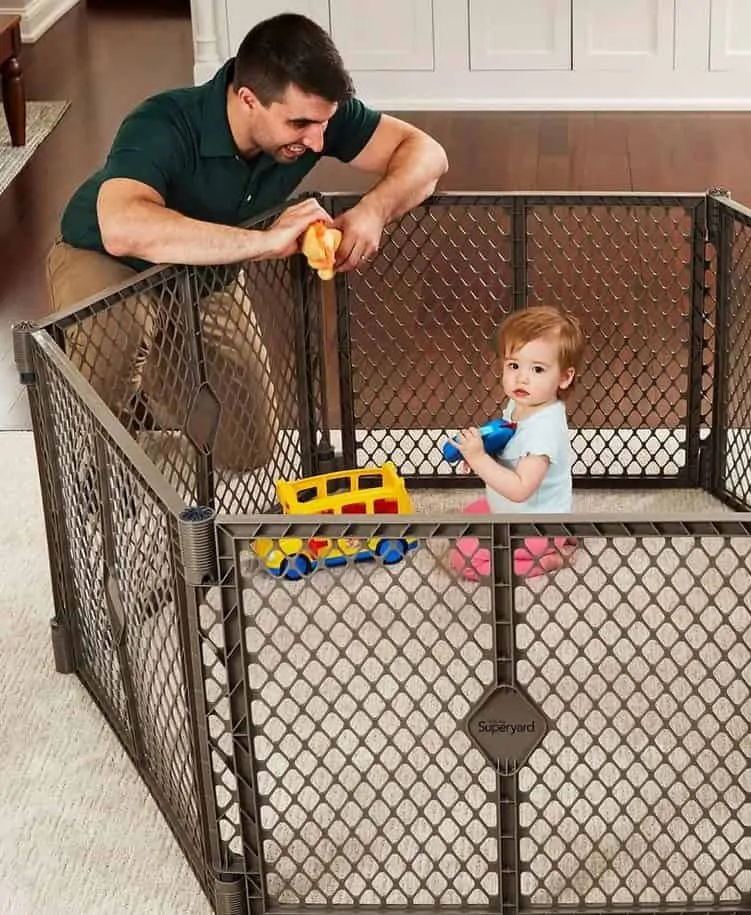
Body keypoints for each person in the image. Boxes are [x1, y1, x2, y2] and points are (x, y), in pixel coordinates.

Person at [45, 12, 448, 472]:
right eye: (299, 125)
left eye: (324, 123)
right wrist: (264, 242)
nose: (317, 141)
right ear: (248, 99)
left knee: (246, 450)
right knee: (121, 332)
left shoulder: (314, 119)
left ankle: (148, 376)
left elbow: (428, 155)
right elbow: (121, 227)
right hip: (108, 258)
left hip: (205, 276)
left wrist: (374, 210)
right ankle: (98, 439)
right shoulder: (163, 120)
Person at [448, 304, 584, 580]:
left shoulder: (543, 432)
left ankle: (550, 558)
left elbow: (521, 489)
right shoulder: (522, 403)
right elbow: (508, 444)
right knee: (463, 518)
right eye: (513, 365)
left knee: (466, 560)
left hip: (534, 527)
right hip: (516, 514)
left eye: (537, 369)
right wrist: (483, 452)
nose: (521, 377)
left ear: (564, 377)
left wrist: (479, 460)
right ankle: (563, 536)